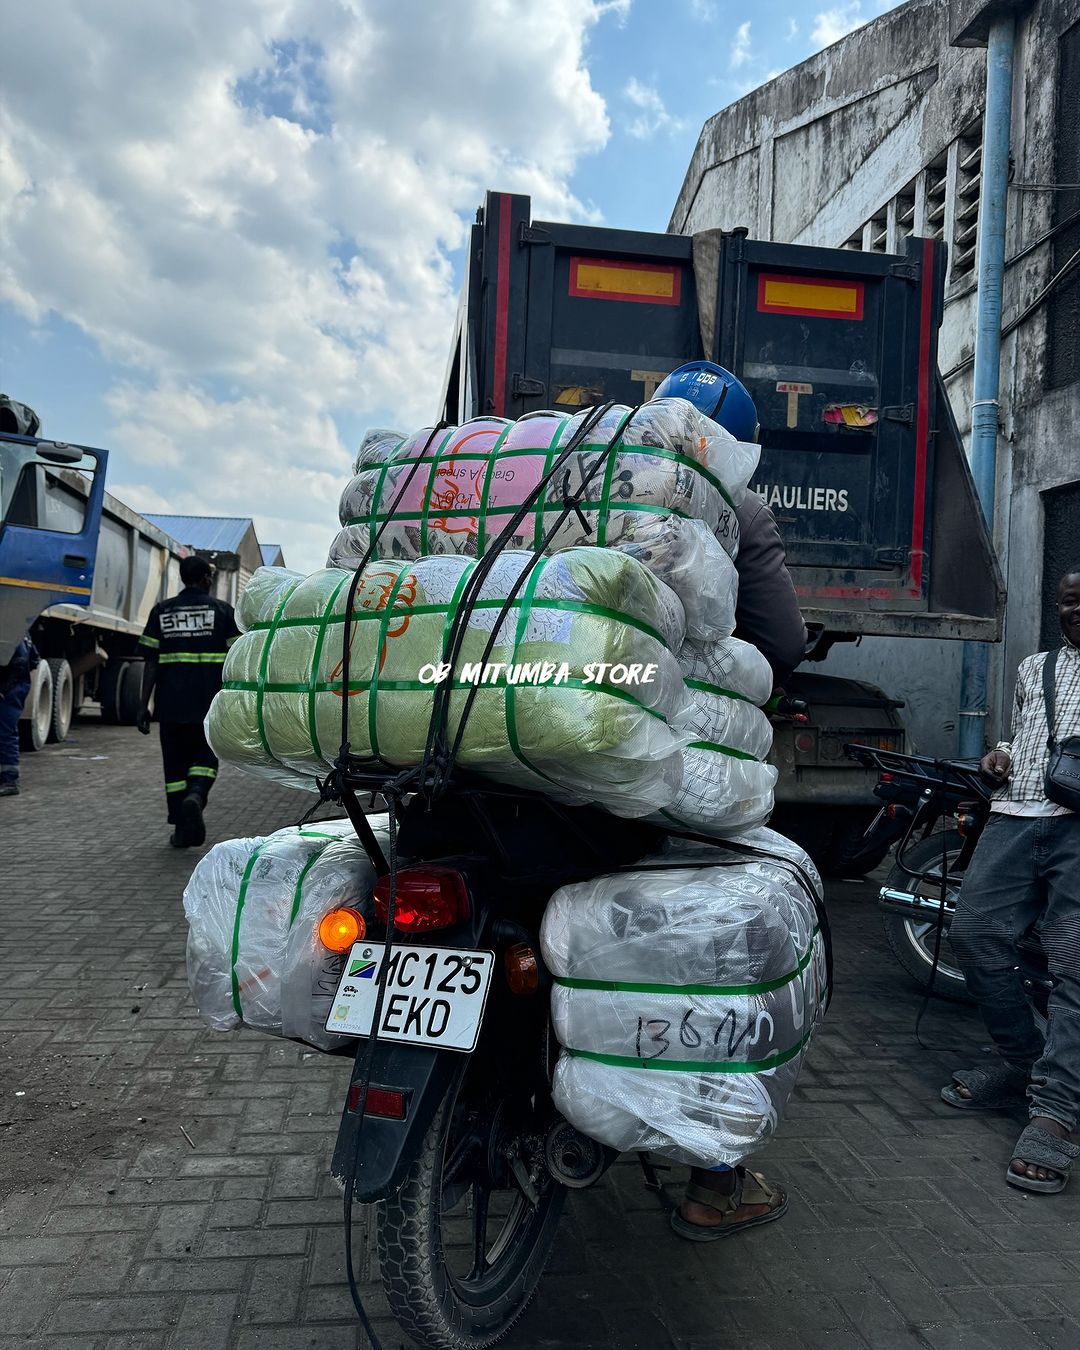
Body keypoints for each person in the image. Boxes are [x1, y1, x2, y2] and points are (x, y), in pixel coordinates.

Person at [653, 359, 806, 1239]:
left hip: (523, 733)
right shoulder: (738, 509)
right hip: (670, 759)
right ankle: (715, 1176)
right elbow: (780, 640)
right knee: (725, 940)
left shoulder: (578, 480)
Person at [943, 567, 1080, 1193]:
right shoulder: (1036, 667)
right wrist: (1002, 753)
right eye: (1065, 604)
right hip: (1018, 814)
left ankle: (1055, 1112)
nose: (1072, 613)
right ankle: (1028, 1061)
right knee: (974, 933)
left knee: (1072, 963)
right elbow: (1026, 733)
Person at [137, 555, 240, 847]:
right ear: (207, 579)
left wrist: (142, 705)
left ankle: (181, 828)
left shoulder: (162, 611)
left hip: (170, 706)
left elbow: (151, 663)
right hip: (209, 706)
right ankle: (196, 794)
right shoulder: (222, 612)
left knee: (174, 768)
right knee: (206, 759)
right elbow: (238, 660)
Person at [0, 636, 40, 797]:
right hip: (15, 687)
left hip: (9, 690)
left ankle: (10, 781)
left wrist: (4, 688)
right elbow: (35, 659)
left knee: (5, 733)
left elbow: (20, 662)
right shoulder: (22, 631)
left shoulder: (10, 631)